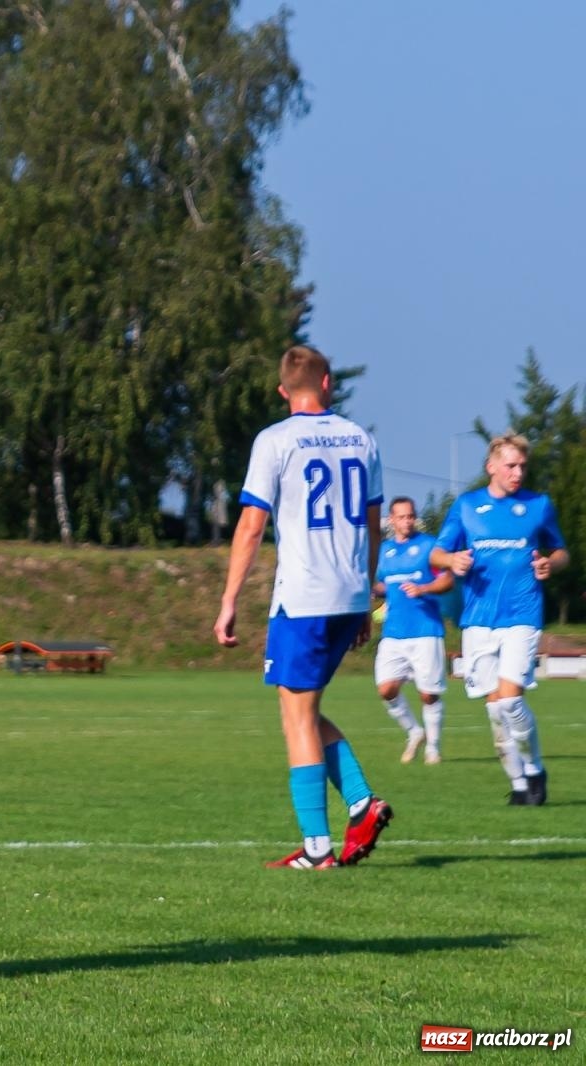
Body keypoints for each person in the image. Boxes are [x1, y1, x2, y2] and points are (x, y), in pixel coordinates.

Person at [215, 345, 392, 870]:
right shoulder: (362, 439)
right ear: (329, 383)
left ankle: (317, 849)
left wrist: (228, 601)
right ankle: (362, 802)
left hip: (304, 596)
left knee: (295, 718)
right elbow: (374, 523)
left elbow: (251, 526)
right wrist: (365, 593)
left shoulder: (274, 441)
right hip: (349, 594)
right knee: (306, 711)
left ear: (282, 391)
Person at [430, 435, 569, 805]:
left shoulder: (538, 506)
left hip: (522, 615)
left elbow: (561, 553)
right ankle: (519, 784)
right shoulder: (467, 506)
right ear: (491, 466)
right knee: (494, 709)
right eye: (510, 465)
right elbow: (437, 553)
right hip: (477, 620)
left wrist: (549, 564)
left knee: (509, 702)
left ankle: (536, 769)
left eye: (522, 466)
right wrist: (451, 561)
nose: (518, 472)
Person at [372, 497, 454, 764]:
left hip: (425, 630)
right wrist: (371, 591)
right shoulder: (384, 552)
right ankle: (414, 731)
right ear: (391, 520)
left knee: (428, 693)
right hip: (393, 632)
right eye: (402, 517)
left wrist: (423, 589)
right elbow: (385, 585)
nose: (407, 521)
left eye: (411, 516)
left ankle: (433, 747)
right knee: (386, 689)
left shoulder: (430, 547)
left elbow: (447, 580)